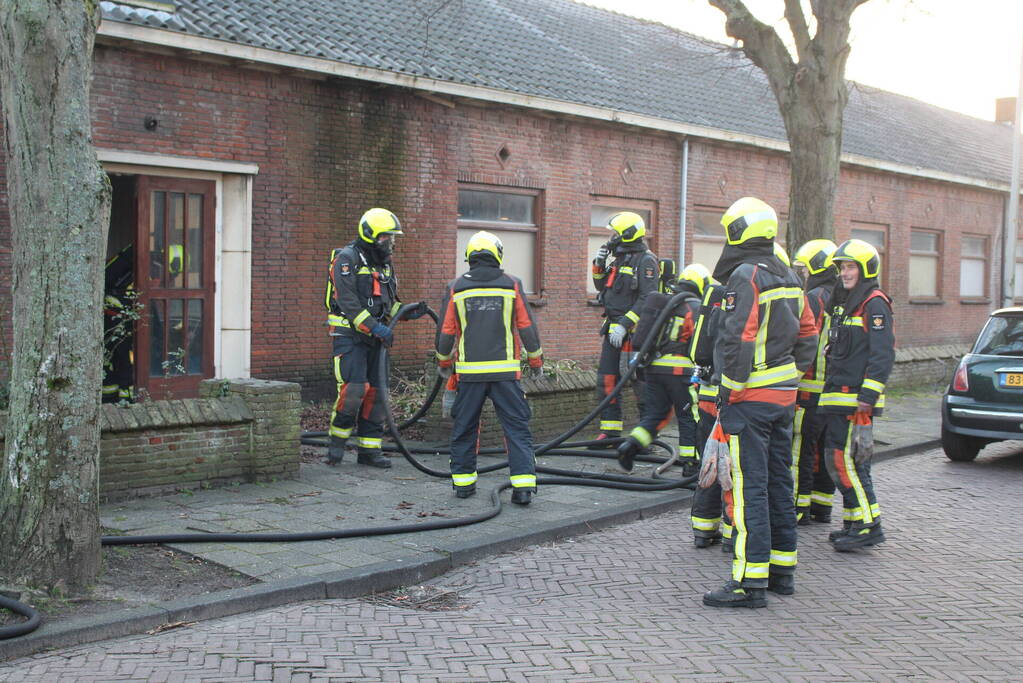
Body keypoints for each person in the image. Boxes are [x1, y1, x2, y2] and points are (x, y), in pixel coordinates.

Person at [702, 197, 818, 609]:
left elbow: (738, 337)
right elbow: (809, 334)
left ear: (739, 231)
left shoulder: (747, 275)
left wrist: (728, 391)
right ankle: (781, 573)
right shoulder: (788, 275)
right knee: (779, 485)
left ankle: (748, 585)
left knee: (750, 491)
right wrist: (791, 376)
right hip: (783, 398)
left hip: (748, 400)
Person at [436, 231, 543, 505]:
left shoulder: (456, 287)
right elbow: (526, 326)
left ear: (470, 257)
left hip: (470, 376)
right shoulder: (512, 284)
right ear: (497, 254)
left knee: (465, 427)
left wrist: (445, 362)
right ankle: (523, 488)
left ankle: (463, 485)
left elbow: (446, 331)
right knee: (516, 427)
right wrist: (536, 361)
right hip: (505, 375)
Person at [819, 238, 895, 551]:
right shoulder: (845, 301)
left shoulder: (874, 302)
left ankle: (869, 525)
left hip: (856, 399)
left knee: (841, 461)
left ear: (865, 269)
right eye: (842, 268)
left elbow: (882, 354)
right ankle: (854, 521)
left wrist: (869, 395)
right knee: (853, 463)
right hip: (839, 394)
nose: (845, 273)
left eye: (850, 267)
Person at [324, 208, 406, 469]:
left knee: (378, 394)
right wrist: (374, 327)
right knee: (355, 390)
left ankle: (369, 451)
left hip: (376, 338)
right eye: (386, 237)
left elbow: (388, 301)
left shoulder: (384, 263)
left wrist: (404, 312)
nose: (390, 243)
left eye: (391, 238)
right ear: (370, 235)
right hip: (350, 335)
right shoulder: (347, 260)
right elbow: (347, 302)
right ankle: (336, 445)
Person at [616, 263, 708, 475]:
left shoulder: (665, 303)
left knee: (655, 415)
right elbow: (700, 341)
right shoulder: (693, 307)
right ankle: (690, 464)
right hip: (681, 371)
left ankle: (630, 445)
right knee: (689, 416)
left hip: (654, 369)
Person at [591, 212, 659, 441]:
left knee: (640, 382)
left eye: (616, 233)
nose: (612, 237)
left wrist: (625, 324)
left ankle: (646, 435)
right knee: (607, 379)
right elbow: (602, 287)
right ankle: (610, 431)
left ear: (627, 235)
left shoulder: (646, 260)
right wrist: (599, 264)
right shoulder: (619, 258)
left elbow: (648, 297)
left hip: (634, 332)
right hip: (612, 328)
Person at [791, 239, 839, 525]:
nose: (802, 275)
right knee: (825, 450)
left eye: (804, 269)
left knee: (801, 450)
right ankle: (822, 507)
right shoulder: (844, 297)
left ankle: (798, 508)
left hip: (809, 389)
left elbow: (804, 339)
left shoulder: (815, 298)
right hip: (834, 392)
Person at [688, 273, 730, 549]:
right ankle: (731, 532)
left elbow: (698, 351)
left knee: (709, 461)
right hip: (732, 399)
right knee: (731, 467)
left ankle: (703, 529)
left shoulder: (715, 295)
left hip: (706, 395)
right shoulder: (751, 299)